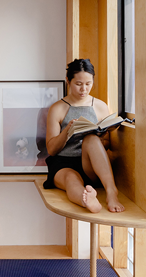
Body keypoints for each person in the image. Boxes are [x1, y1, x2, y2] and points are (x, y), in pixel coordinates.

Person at [43, 59, 125, 213]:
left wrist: (98, 135)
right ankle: (86, 200)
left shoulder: (100, 106)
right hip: (63, 164)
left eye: (88, 84)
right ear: (68, 81)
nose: (84, 89)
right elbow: (52, 150)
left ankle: (111, 192)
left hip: (91, 164)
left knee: (91, 139)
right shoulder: (57, 108)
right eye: (79, 84)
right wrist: (68, 130)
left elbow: (106, 144)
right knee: (71, 179)